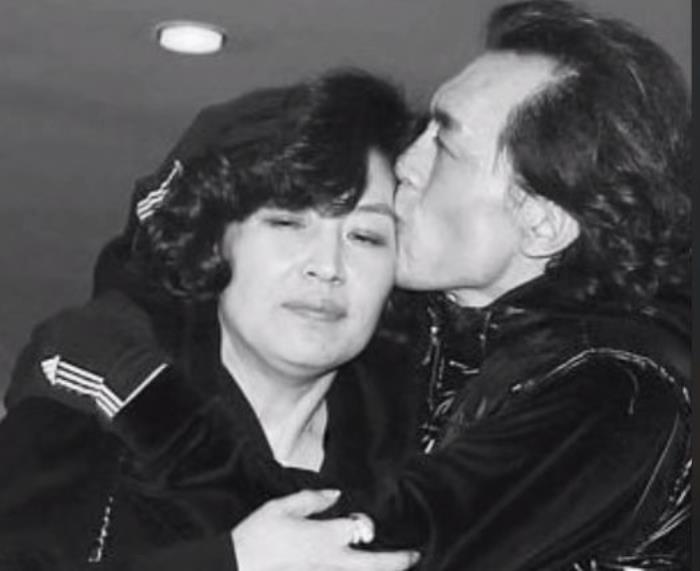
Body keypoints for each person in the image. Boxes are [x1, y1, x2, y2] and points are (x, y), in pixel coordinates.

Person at [5, 1, 691, 569]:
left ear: (540, 221)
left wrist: (147, 404)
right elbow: (199, 211)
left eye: (445, 144)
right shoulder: (434, 343)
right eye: (288, 224)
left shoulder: (621, 391)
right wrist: (116, 326)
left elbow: (377, 550)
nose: (408, 162)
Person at [0, 70, 421, 570]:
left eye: (366, 237)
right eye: (287, 221)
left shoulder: (423, 468)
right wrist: (232, 562)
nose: (328, 266)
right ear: (216, 241)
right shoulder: (93, 394)